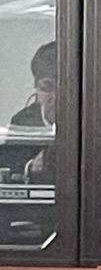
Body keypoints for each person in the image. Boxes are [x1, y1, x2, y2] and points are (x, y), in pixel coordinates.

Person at [5, 41, 57, 182]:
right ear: (36, 89)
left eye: (65, 87)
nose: (56, 96)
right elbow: (8, 167)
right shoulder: (22, 121)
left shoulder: (94, 114)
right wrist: (31, 167)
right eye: (47, 87)